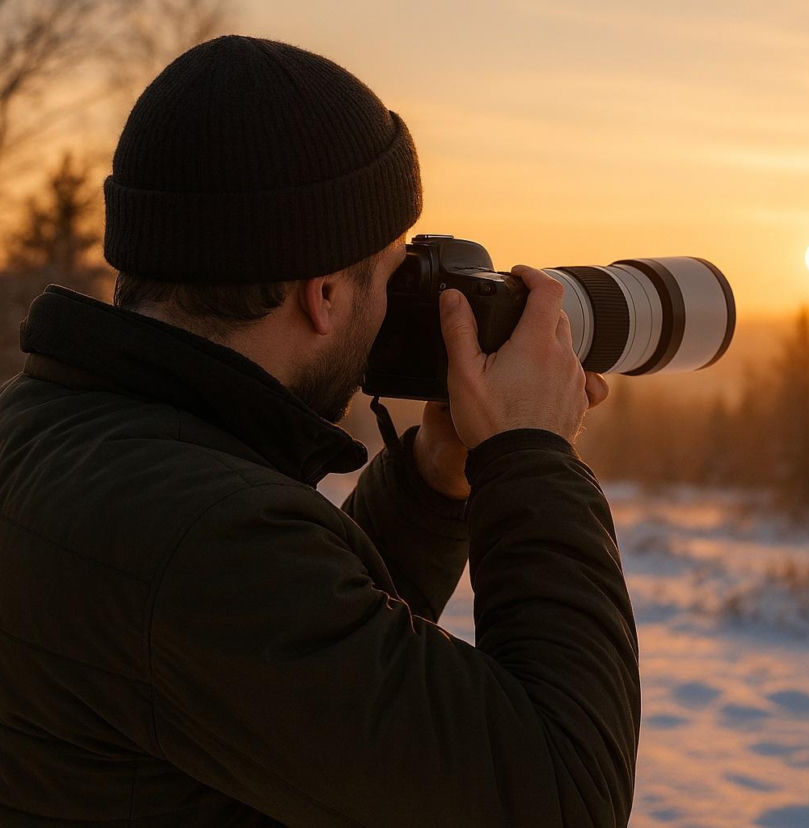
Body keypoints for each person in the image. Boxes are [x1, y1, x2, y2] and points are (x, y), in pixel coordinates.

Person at [0, 35, 640, 827]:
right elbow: (563, 795)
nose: (400, 305)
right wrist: (534, 456)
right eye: (394, 271)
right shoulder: (201, 544)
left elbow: (312, 682)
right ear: (325, 295)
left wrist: (433, 481)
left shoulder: (45, 433)